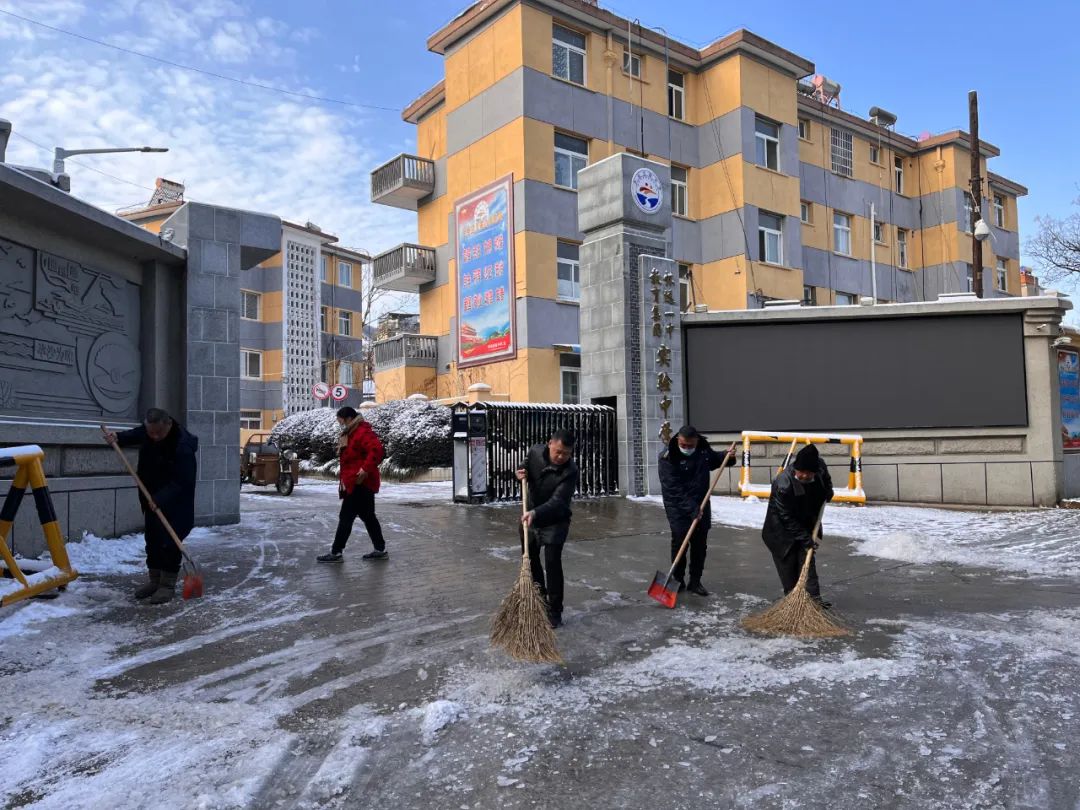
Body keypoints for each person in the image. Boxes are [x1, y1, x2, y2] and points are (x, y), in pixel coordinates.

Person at [104, 409, 198, 604]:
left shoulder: (182, 445)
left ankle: (166, 586)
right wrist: (118, 437)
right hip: (151, 499)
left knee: (169, 544)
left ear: (168, 425)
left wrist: (160, 498)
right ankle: (154, 581)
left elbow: (183, 481)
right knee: (153, 540)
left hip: (176, 503)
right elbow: (137, 433)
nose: (154, 437)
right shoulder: (149, 432)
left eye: (158, 433)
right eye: (151, 433)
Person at [657, 425, 737, 597]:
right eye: (684, 445)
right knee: (680, 542)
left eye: (690, 445)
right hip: (677, 506)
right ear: (678, 440)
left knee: (700, 544)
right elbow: (673, 489)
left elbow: (715, 459)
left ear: (696, 441)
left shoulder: (702, 450)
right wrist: (691, 508)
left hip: (701, 505)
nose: (687, 448)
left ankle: (695, 582)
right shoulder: (668, 457)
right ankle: (677, 581)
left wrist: (726, 456)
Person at [515, 429, 579, 629]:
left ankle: (555, 610)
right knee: (531, 560)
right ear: (550, 443)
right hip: (531, 516)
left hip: (555, 520)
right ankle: (539, 600)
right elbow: (524, 466)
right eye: (558, 451)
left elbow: (559, 501)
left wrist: (535, 513)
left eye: (566, 453)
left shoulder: (570, 471)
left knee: (552, 564)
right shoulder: (535, 452)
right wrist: (519, 471)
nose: (561, 457)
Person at [761, 443, 834, 605]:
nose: (805, 476)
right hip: (780, 532)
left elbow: (826, 480)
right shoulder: (783, 484)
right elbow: (786, 517)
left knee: (807, 565)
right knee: (789, 569)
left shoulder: (819, 466)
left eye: (809, 473)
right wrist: (804, 538)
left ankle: (814, 602)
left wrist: (829, 491)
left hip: (806, 522)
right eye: (802, 472)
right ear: (796, 468)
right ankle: (793, 603)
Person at [318, 407, 386, 563]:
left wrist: (364, 469)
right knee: (368, 516)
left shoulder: (362, 431)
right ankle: (380, 549)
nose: (339, 423)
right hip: (356, 481)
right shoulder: (351, 431)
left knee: (346, 517)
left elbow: (376, 450)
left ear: (348, 418)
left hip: (360, 482)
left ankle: (336, 552)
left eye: (340, 419)